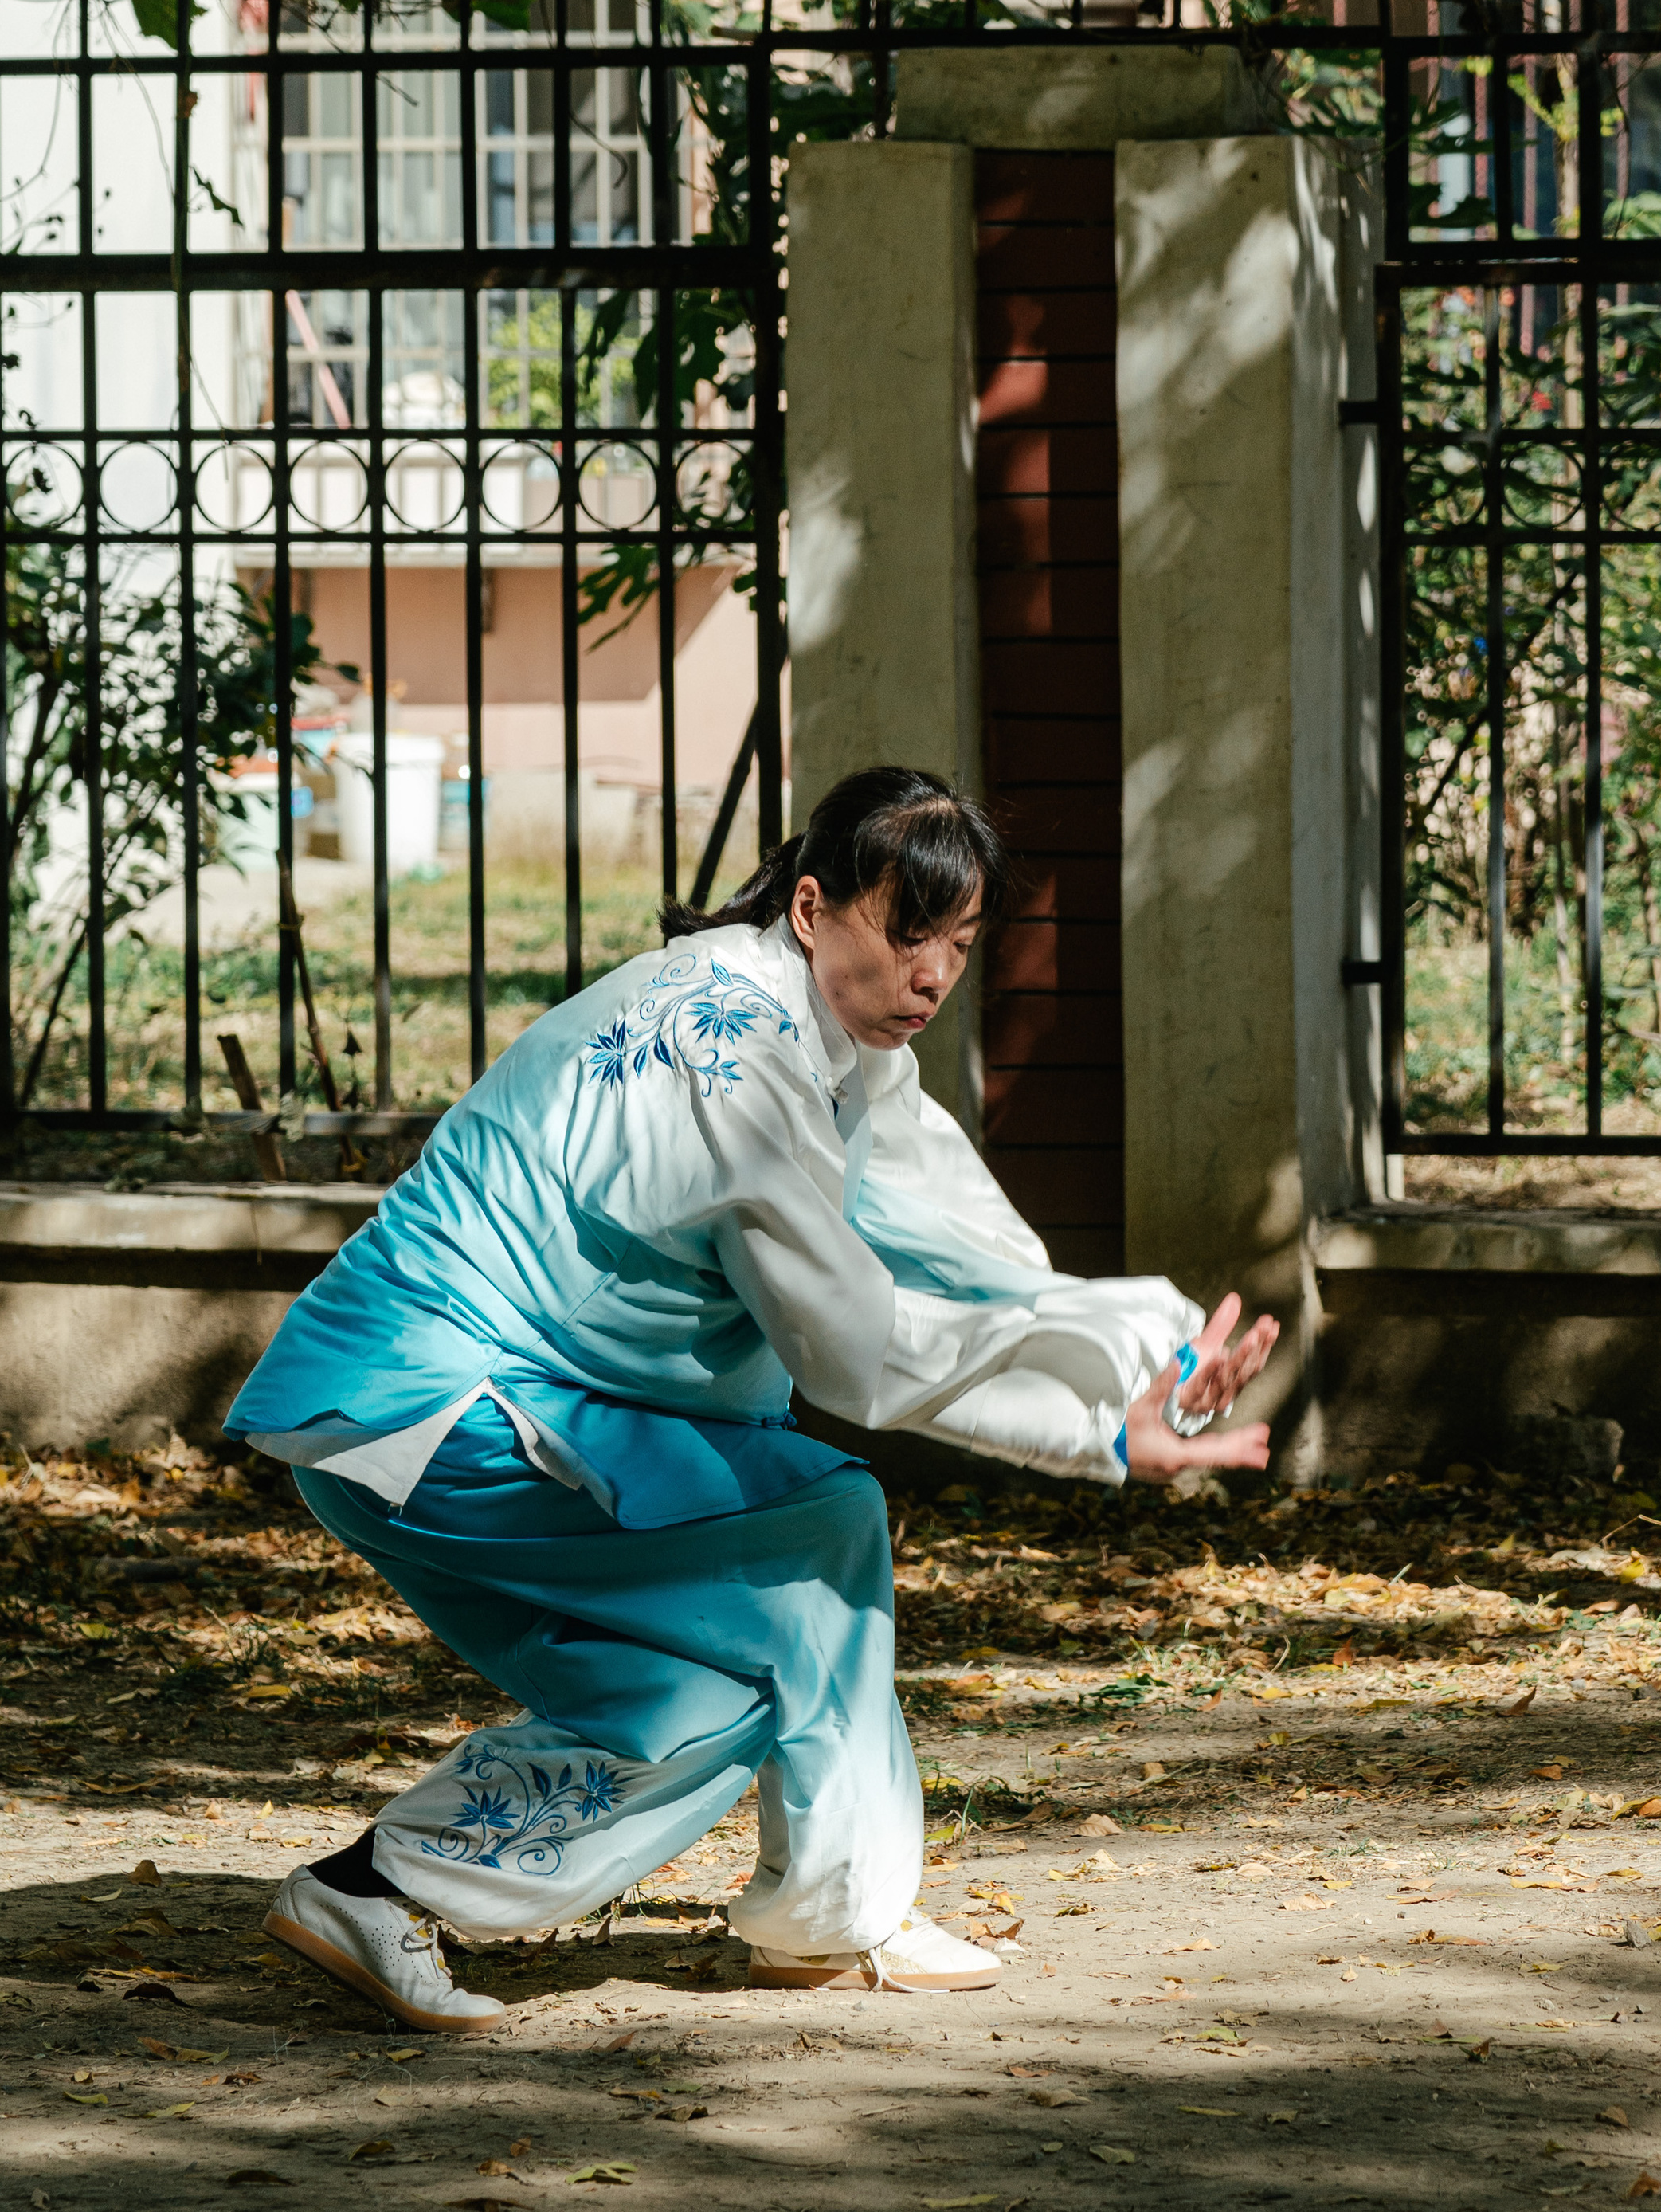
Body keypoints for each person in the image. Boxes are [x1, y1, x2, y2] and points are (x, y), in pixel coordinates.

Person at [226, 766, 1278, 2032]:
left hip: (468, 1405)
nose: (934, 974)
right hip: (424, 1407)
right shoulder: (730, 1054)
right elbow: (855, 1350)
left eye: (958, 941)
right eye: (907, 931)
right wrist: (1102, 1423)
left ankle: (378, 1884)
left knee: (699, 1704)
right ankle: (833, 1912)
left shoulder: (841, 1045)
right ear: (814, 905)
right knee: (821, 1526)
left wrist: (1147, 1366)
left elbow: (974, 1250)